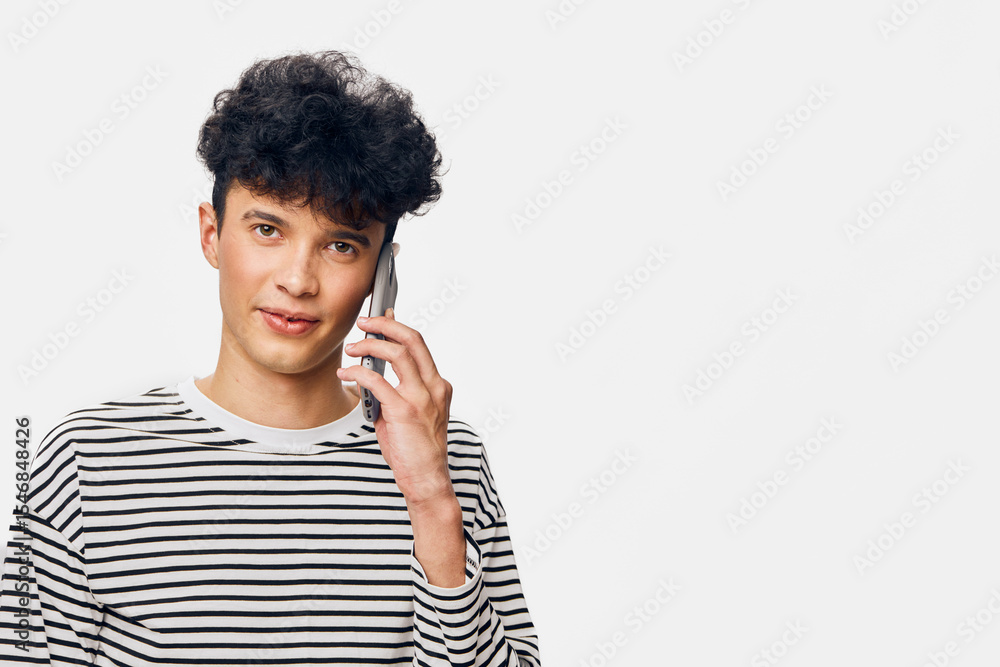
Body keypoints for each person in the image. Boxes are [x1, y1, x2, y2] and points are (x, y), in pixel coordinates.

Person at [0, 50, 541, 665]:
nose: (298, 280)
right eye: (267, 230)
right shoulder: (85, 460)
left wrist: (431, 501)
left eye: (341, 245)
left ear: (380, 274)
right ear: (211, 235)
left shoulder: (448, 460)